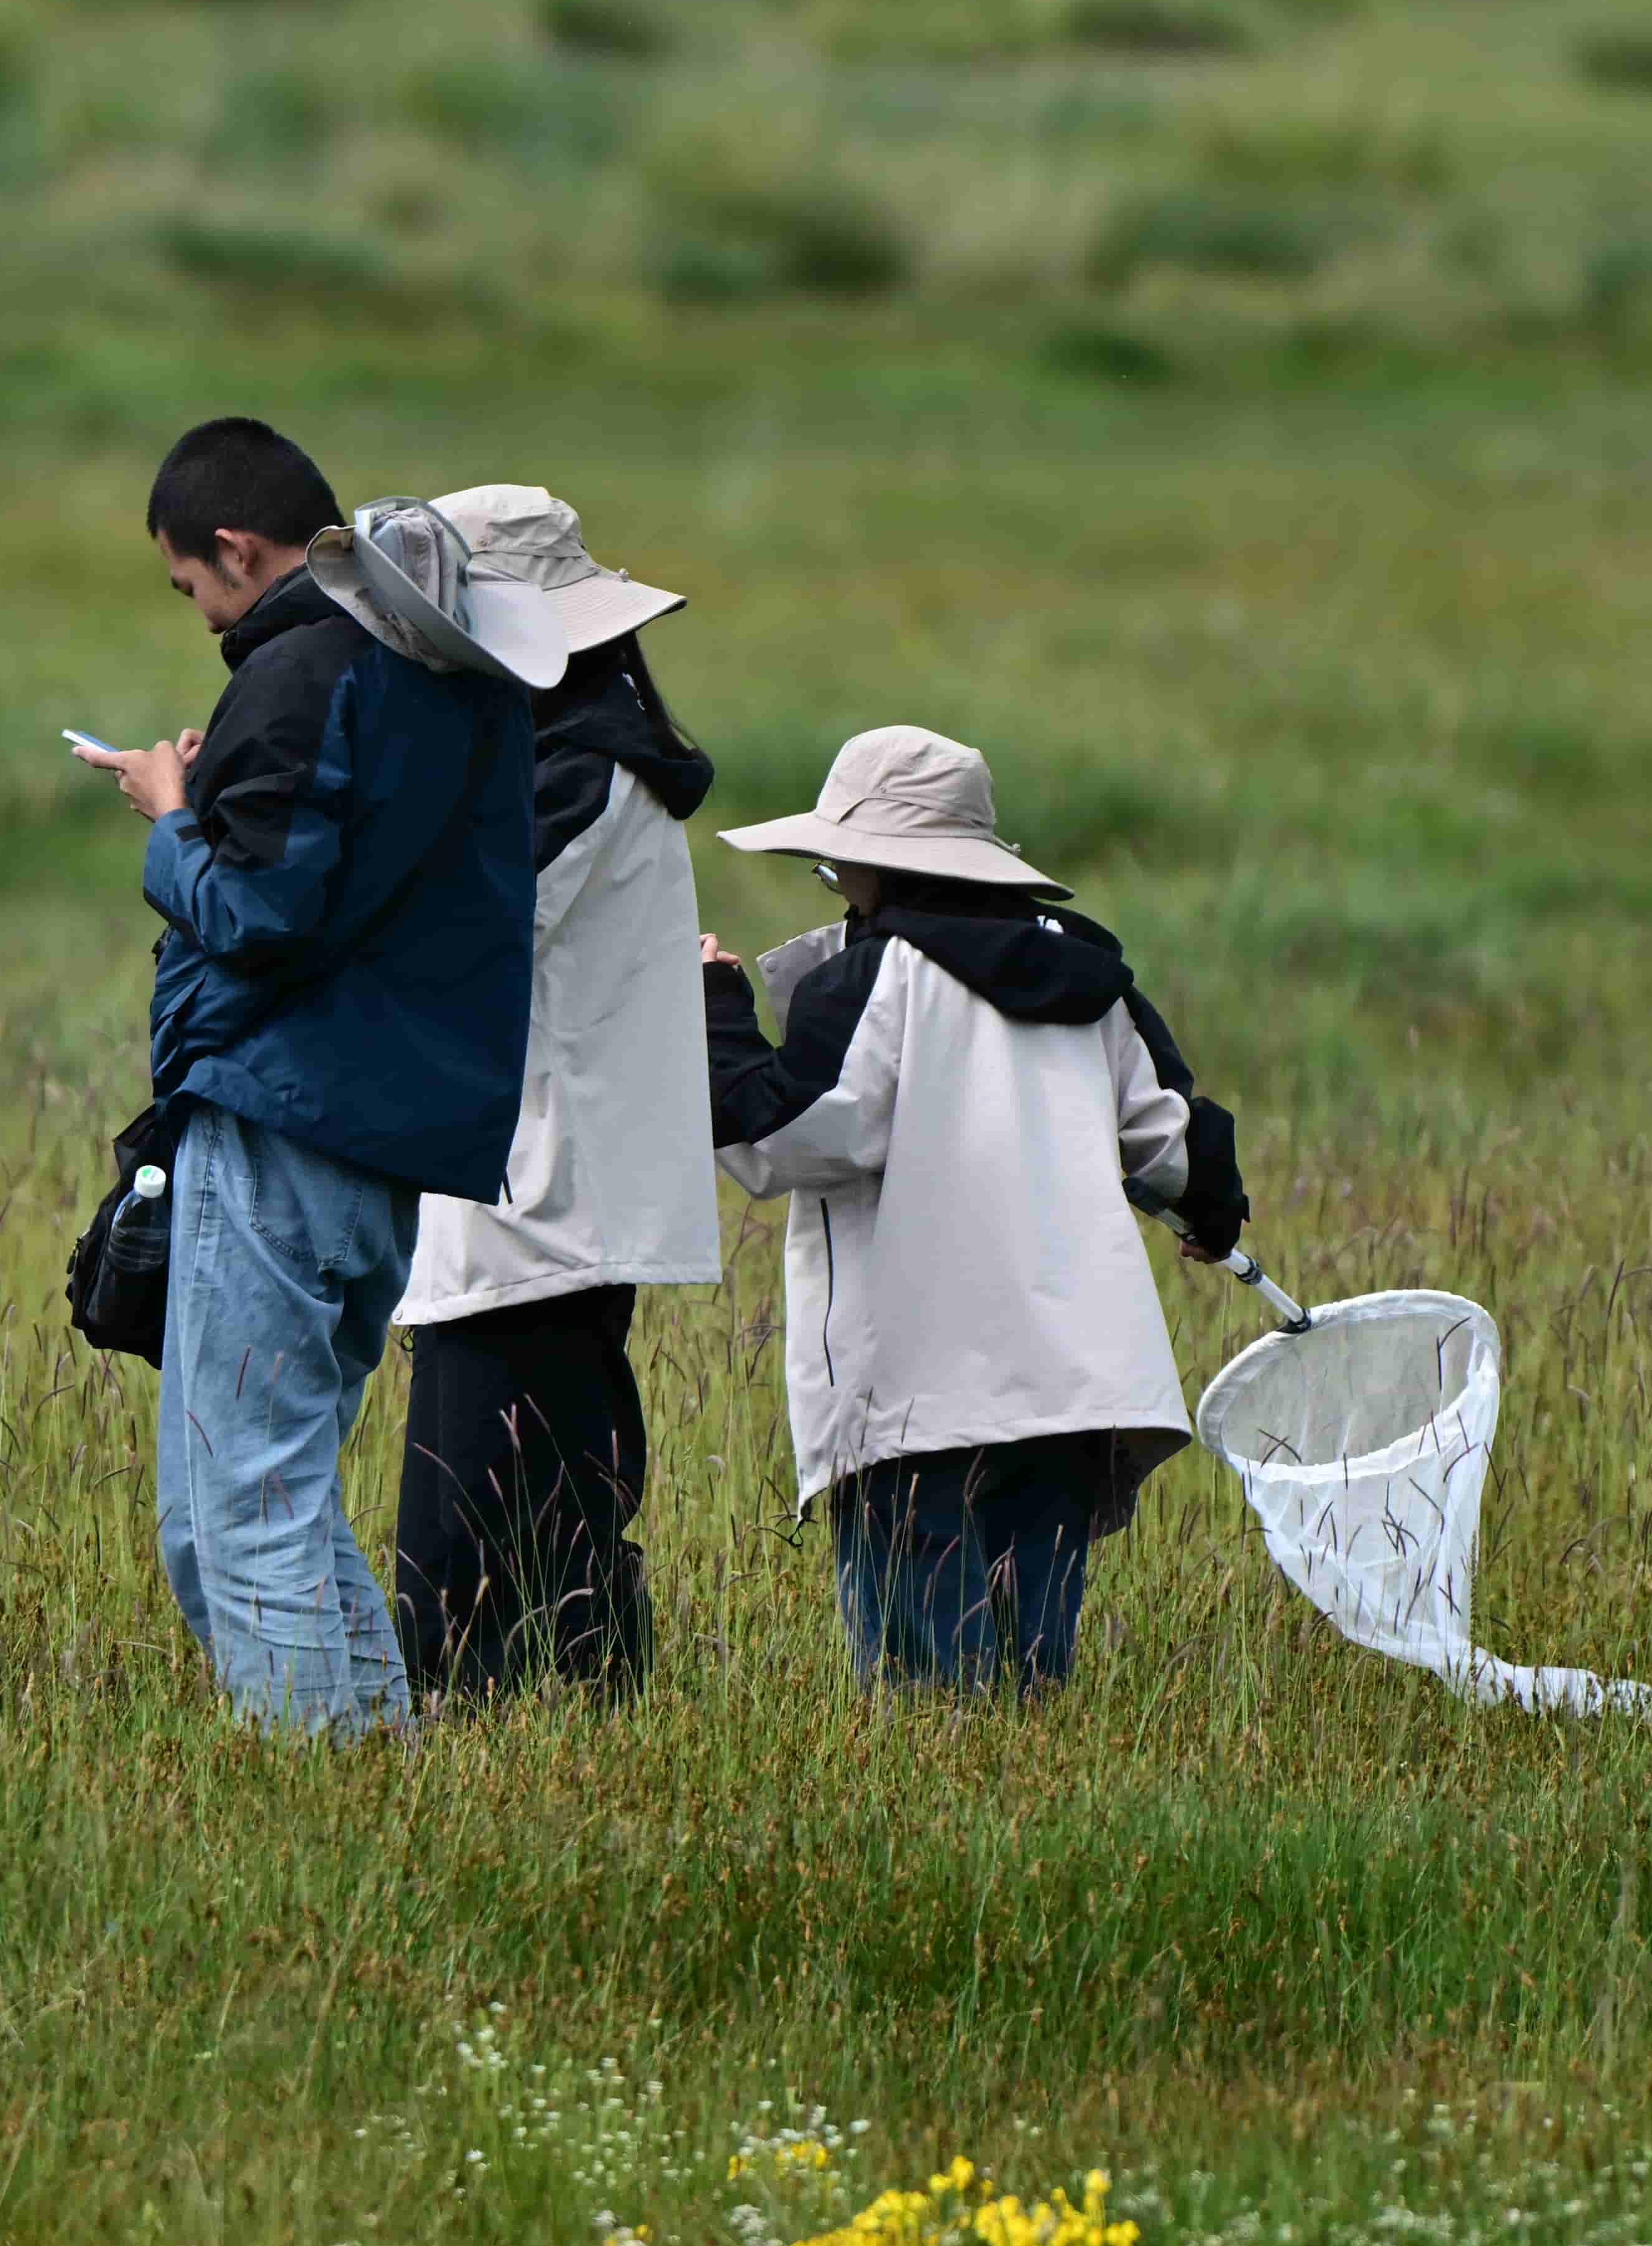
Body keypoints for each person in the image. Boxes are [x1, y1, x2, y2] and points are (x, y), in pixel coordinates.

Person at [76, 419, 543, 1735]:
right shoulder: (458, 681)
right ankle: (377, 1775)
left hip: (286, 1121)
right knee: (232, 1506)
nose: (197, 612)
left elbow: (265, 913)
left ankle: (325, 1809)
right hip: (388, 1137)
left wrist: (171, 818)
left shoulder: (301, 672)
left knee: (248, 1510)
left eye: (190, 586)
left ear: (234, 548)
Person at [698, 724, 1252, 1690]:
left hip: (919, 1392)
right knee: (1032, 1681)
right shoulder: (1092, 978)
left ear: (873, 865)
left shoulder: (876, 976)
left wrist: (715, 1010)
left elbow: (782, 1136)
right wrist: (1212, 1221)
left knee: (924, 1699)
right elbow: (1173, 1143)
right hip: (1070, 1395)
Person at [385, 486, 720, 1698]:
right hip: (539, 1214)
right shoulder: (574, 758)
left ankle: (542, 1752)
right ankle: (587, 1744)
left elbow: (464, 934)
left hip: (539, 1216)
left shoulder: (579, 774)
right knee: (557, 1515)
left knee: (470, 1560)